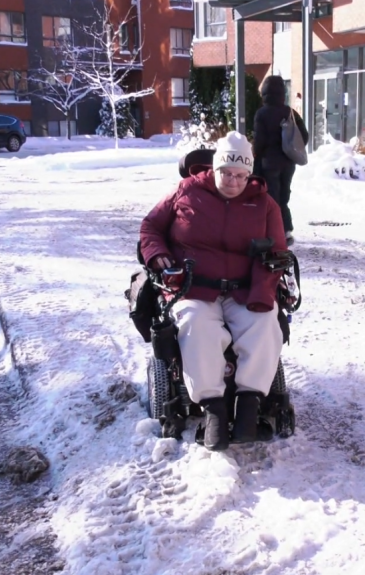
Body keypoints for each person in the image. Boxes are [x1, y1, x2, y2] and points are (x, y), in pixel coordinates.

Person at [139, 131, 288, 452]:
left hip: (245, 288)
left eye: (240, 175)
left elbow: (276, 255)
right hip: (193, 288)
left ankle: (249, 405)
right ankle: (214, 410)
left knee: (264, 324)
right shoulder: (186, 191)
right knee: (197, 326)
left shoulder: (264, 204)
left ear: (249, 174)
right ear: (214, 168)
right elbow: (150, 226)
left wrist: (262, 295)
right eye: (226, 173)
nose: (233, 181)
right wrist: (157, 254)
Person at [253, 76, 309, 246]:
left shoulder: (261, 113)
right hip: (288, 162)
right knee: (284, 197)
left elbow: (259, 141)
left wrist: (257, 157)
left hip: (269, 163)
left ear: (264, 93)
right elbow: (304, 136)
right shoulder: (290, 112)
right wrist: (289, 148)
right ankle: (286, 230)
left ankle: (274, 232)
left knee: (271, 199)